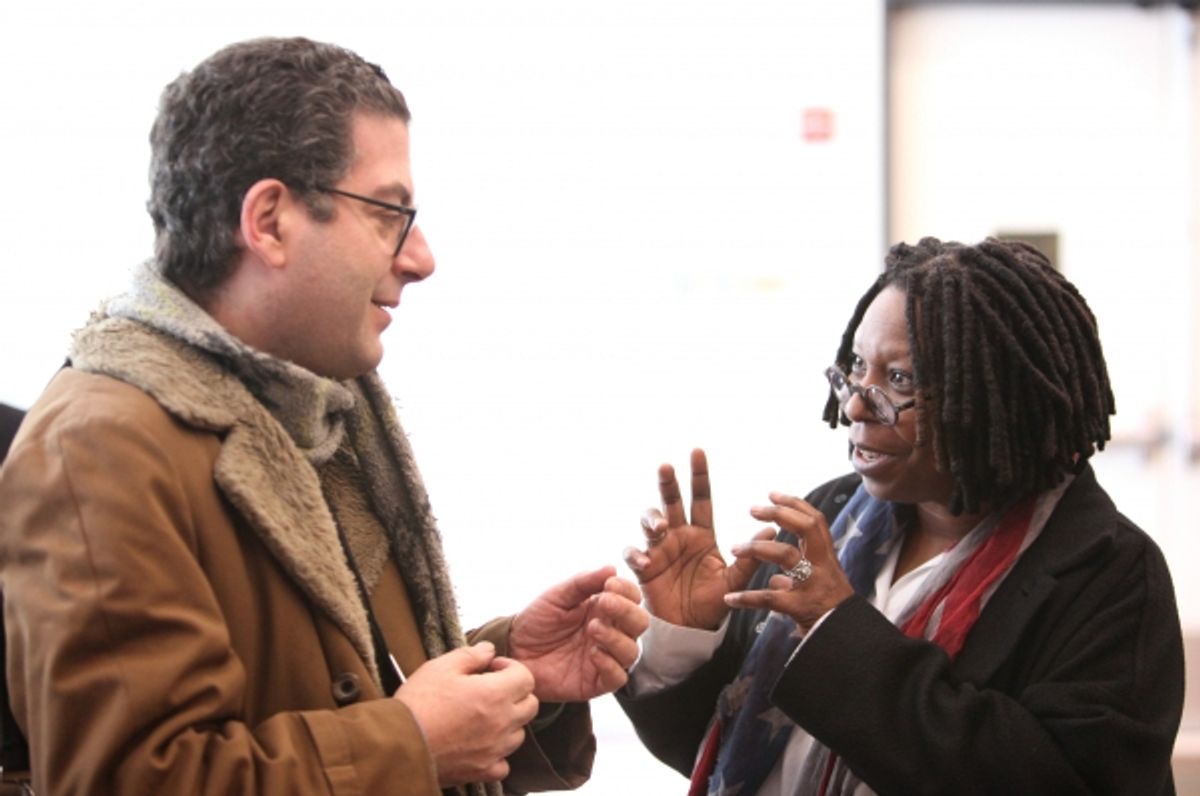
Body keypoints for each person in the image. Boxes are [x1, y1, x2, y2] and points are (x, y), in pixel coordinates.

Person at [0, 37, 648, 796]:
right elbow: (128, 781)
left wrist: (512, 675)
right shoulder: (100, 447)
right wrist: (412, 745)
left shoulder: (311, 411)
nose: (421, 258)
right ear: (270, 221)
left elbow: (341, 690)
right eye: (389, 214)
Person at [618, 237, 1184, 795]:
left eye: (899, 380)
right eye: (856, 368)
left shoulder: (1110, 573)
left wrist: (837, 632)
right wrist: (688, 639)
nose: (855, 405)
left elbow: (1051, 779)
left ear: (995, 399)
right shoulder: (829, 516)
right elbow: (727, 747)